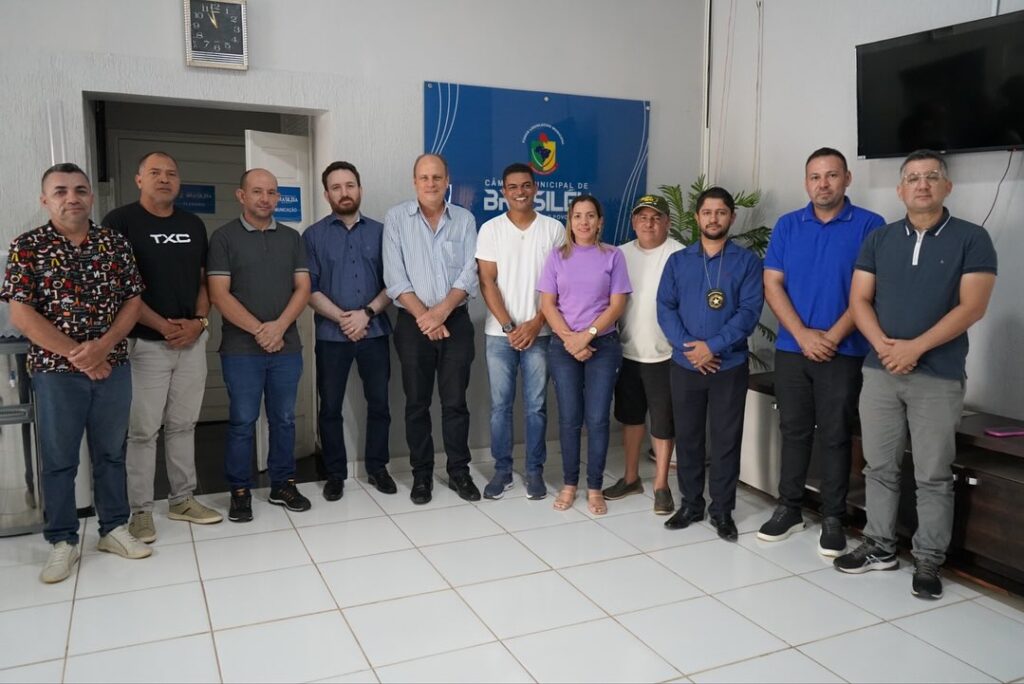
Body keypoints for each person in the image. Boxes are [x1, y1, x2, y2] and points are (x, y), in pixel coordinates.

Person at [834, 150, 997, 599]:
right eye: (912, 178)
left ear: (947, 186)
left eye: (931, 177)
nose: (922, 184)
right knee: (879, 466)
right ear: (900, 189)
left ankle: (928, 560)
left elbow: (973, 307)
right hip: (880, 371)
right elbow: (859, 300)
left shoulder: (972, 238)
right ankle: (879, 545)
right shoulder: (880, 239)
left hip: (937, 377)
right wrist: (885, 348)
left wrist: (915, 348)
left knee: (933, 473)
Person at [2, 163, 151, 584]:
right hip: (55, 372)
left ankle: (113, 528)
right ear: (45, 200)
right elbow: (21, 314)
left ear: (91, 196)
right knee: (59, 459)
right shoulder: (27, 247)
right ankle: (62, 540)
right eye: (61, 191)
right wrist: (79, 355)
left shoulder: (114, 244)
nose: (72, 198)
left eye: (80, 190)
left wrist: (102, 348)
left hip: (112, 367)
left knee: (111, 452)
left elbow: (133, 302)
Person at [756, 148, 884, 556]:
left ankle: (833, 517)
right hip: (792, 349)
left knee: (835, 434)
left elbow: (869, 291)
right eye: (815, 177)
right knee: (793, 430)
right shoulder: (788, 225)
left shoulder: (870, 225)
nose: (823, 184)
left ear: (847, 179)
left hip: (844, 350)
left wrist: (830, 337)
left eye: (831, 175)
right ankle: (789, 508)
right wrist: (803, 335)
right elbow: (772, 283)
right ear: (806, 182)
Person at [102, 151, 222, 544]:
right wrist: (164, 326)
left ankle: (182, 499)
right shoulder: (119, 222)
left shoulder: (192, 224)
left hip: (191, 342)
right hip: (145, 344)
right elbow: (120, 289)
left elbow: (204, 281)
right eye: (155, 172)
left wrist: (199, 322)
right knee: (142, 431)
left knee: (184, 424)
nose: (164, 178)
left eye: (171, 173)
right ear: (139, 179)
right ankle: (140, 511)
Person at [657, 186, 764, 541]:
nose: (713, 218)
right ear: (697, 217)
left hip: (728, 366)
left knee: (725, 440)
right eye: (707, 212)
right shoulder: (678, 262)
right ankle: (691, 504)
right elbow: (665, 307)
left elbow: (749, 312)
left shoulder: (747, 263)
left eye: (720, 212)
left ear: (731, 217)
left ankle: (722, 510)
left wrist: (713, 347)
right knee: (688, 438)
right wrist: (691, 349)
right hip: (686, 365)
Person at [207, 168, 312, 522]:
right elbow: (219, 295)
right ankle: (240, 491)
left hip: (286, 347)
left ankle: (283, 484)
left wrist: (279, 328)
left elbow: (303, 288)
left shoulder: (292, 238)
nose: (265, 198)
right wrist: (260, 331)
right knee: (242, 421)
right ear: (242, 195)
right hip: (241, 351)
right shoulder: (223, 238)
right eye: (257, 191)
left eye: (271, 192)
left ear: (278, 197)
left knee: (284, 419)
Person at [383, 154, 481, 505]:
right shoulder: (396, 219)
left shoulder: (465, 220)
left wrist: (439, 313)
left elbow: (469, 273)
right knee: (416, 404)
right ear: (414, 182)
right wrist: (426, 317)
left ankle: (459, 472)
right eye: (424, 177)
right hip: (413, 324)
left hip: (454, 320)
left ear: (447, 180)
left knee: (455, 403)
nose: (430, 183)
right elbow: (395, 278)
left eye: (437, 177)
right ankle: (421, 475)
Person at [304, 161, 395, 500]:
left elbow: (394, 283)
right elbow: (309, 289)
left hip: (375, 332)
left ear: (360, 189)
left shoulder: (383, 232)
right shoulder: (313, 236)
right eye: (336, 187)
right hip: (332, 337)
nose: (344, 192)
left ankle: (378, 468)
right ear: (326, 194)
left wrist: (366, 314)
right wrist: (345, 319)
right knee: (330, 407)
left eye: (350, 185)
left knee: (380, 404)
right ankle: (335, 474)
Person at [476, 162, 564, 500]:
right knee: (500, 407)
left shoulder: (553, 229)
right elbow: (487, 281)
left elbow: (559, 284)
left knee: (536, 407)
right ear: (504, 191)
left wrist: (537, 322)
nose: (520, 192)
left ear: (535, 188)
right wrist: (510, 326)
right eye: (512, 187)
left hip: (540, 333)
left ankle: (534, 471)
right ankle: (502, 471)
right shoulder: (491, 229)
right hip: (500, 335)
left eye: (526, 185)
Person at [538, 194, 631, 516]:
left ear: (600, 221)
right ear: (570, 220)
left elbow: (617, 305)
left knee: (597, 418)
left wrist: (587, 336)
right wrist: (571, 340)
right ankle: (569, 484)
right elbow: (547, 304)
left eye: (590, 215)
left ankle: (594, 487)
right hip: (564, 348)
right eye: (577, 215)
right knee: (569, 419)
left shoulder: (613, 256)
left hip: (603, 347)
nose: (584, 222)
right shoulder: (556, 256)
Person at [602, 194, 682, 515]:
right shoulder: (619, 254)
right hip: (627, 353)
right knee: (631, 418)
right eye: (643, 217)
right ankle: (631, 477)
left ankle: (661, 485)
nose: (649, 223)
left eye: (656, 217)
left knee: (663, 423)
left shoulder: (679, 254)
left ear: (667, 222)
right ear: (634, 222)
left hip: (666, 355)